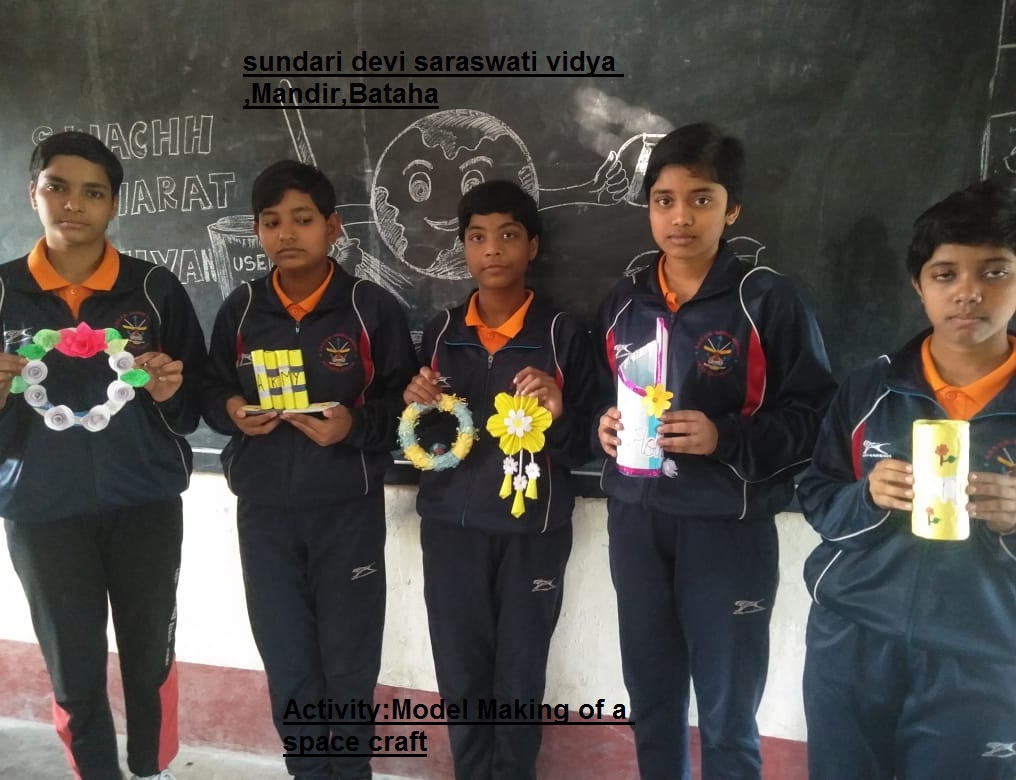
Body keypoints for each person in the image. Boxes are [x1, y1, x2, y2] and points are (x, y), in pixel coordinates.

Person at [594, 122, 835, 779]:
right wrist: (602, 429)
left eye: (701, 199)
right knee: (651, 697)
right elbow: (595, 395)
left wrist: (724, 437)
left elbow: (816, 420)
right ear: (649, 209)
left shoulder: (768, 300)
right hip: (636, 521)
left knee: (727, 711)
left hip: (726, 526)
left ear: (732, 210)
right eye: (664, 200)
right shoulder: (623, 302)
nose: (681, 217)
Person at [0, 131, 205, 780]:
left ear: (114, 205)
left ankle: (151, 770)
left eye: (93, 192)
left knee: (149, 656)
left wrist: (170, 392)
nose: (73, 204)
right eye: (57, 187)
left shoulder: (153, 290)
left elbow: (194, 410)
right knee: (73, 666)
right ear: (33, 193)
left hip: (145, 504)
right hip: (40, 511)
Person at [200, 160, 416, 780]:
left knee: (348, 659)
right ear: (258, 231)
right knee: (287, 657)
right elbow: (211, 390)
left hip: (347, 509)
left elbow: (409, 407)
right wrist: (231, 410)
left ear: (333, 227)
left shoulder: (370, 309)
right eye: (271, 222)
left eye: (302, 219)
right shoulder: (241, 309)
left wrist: (354, 427)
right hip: (264, 511)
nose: (286, 234)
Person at [797, 179, 1016, 779]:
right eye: (946, 275)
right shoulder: (872, 388)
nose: (968, 292)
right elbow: (817, 492)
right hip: (854, 639)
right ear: (919, 286)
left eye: (994, 272)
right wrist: (867, 498)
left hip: (984, 651)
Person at [402, 179, 598, 780]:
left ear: (532, 246)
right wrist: (416, 404)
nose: (492, 249)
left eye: (509, 235)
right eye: (478, 237)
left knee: (519, 673)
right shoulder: (440, 332)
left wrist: (558, 412)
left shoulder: (563, 333)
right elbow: (428, 440)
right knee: (460, 671)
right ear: (463, 246)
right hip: (451, 528)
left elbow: (592, 441)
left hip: (531, 531)